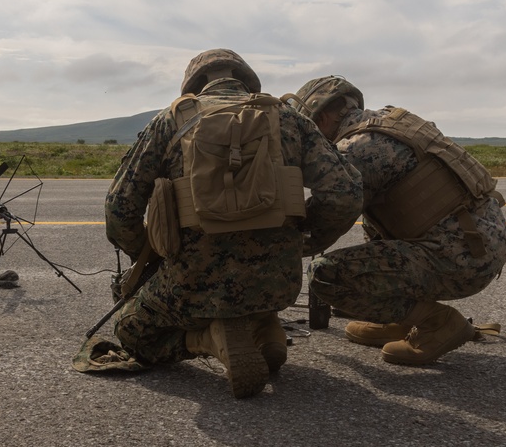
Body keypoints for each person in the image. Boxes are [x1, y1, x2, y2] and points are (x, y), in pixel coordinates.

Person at [103, 49, 363, 398]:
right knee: (256, 281)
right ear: (246, 79)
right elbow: (345, 193)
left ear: (194, 85)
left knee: (129, 331)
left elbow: (120, 208)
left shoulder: (171, 120)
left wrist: (153, 259)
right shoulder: (289, 118)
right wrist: (303, 241)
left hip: (193, 284)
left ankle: (210, 339)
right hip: (279, 282)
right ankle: (264, 325)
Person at [288, 76, 506, 366]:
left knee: (325, 275)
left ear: (324, 117)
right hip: (483, 242)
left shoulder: (355, 149)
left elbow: (326, 221)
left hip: (460, 259)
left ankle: (438, 323)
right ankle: (399, 320)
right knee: (374, 220)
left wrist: (278, 245)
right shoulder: (394, 122)